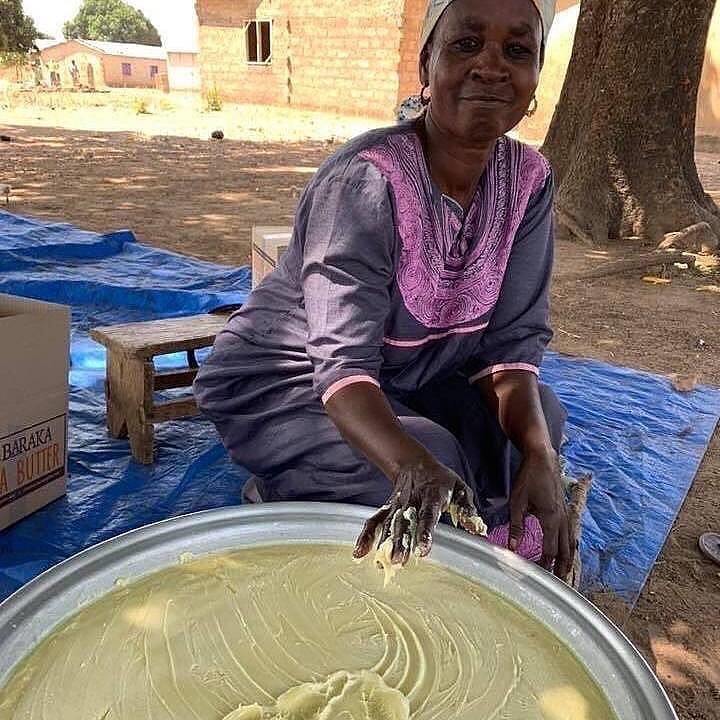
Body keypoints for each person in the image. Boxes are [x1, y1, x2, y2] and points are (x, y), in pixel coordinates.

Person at [195, 0, 572, 578]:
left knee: (539, 420)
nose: (492, 67)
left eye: (517, 51)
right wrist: (411, 462)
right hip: (291, 378)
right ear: (426, 65)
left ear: (535, 78)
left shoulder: (528, 182)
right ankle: (287, 489)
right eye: (466, 45)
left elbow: (512, 349)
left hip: (411, 375)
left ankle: (446, 498)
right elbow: (342, 365)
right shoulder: (367, 180)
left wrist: (542, 454)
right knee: (429, 463)